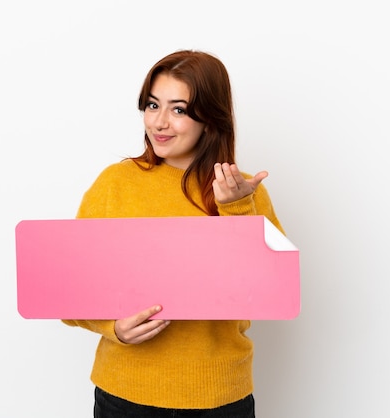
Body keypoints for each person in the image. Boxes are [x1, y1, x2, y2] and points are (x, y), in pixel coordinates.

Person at [62, 49, 285, 417]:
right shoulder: (114, 184)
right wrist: (111, 326)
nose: (160, 122)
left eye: (178, 109)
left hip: (220, 398)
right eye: (152, 105)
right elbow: (68, 290)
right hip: (124, 395)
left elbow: (273, 292)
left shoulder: (243, 191)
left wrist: (236, 209)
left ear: (210, 119)